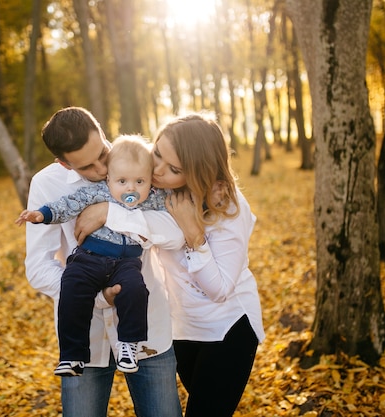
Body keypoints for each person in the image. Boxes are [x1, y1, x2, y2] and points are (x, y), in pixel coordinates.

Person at [99, 114, 265, 416]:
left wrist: (193, 234)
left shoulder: (229, 206)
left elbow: (220, 289)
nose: (158, 171)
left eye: (174, 169)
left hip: (228, 329)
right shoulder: (159, 191)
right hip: (183, 328)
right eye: (158, 154)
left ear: (197, 171)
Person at [23, 106, 184, 417]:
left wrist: (112, 213)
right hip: (86, 335)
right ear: (64, 163)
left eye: (103, 153)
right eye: (87, 165)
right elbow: (38, 267)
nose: (101, 167)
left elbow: (176, 234)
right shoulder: (46, 184)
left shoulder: (141, 162)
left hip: (148, 327)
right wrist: (98, 298)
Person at [16, 134, 170, 377]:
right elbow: (69, 204)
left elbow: (173, 219)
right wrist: (42, 215)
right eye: (122, 181)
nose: (130, 188)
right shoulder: (97, 191)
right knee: (72, 283)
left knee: (135, 288)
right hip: (90, 258)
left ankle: (129, 344)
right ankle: (72, 354)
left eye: (139, 182)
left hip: (128, 263)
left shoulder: (150, 195)